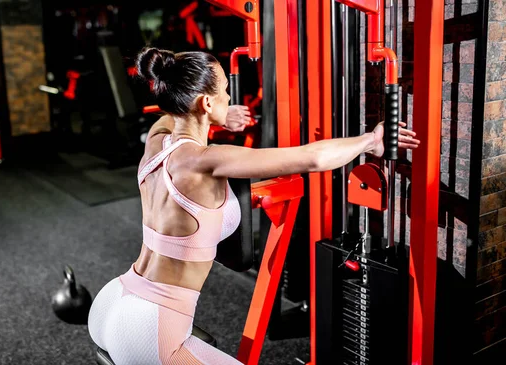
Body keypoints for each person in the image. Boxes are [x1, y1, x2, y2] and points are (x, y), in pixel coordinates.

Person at [87, 48, 420, 365]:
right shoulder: (207, 160)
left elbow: (171, 116)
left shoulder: (157, 142)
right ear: (205, 102)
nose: (231, 99)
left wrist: (218, 117)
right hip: (150, 325)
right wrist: (371, 141)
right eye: (225, 93)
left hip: (116, 298)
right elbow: (313, 157)